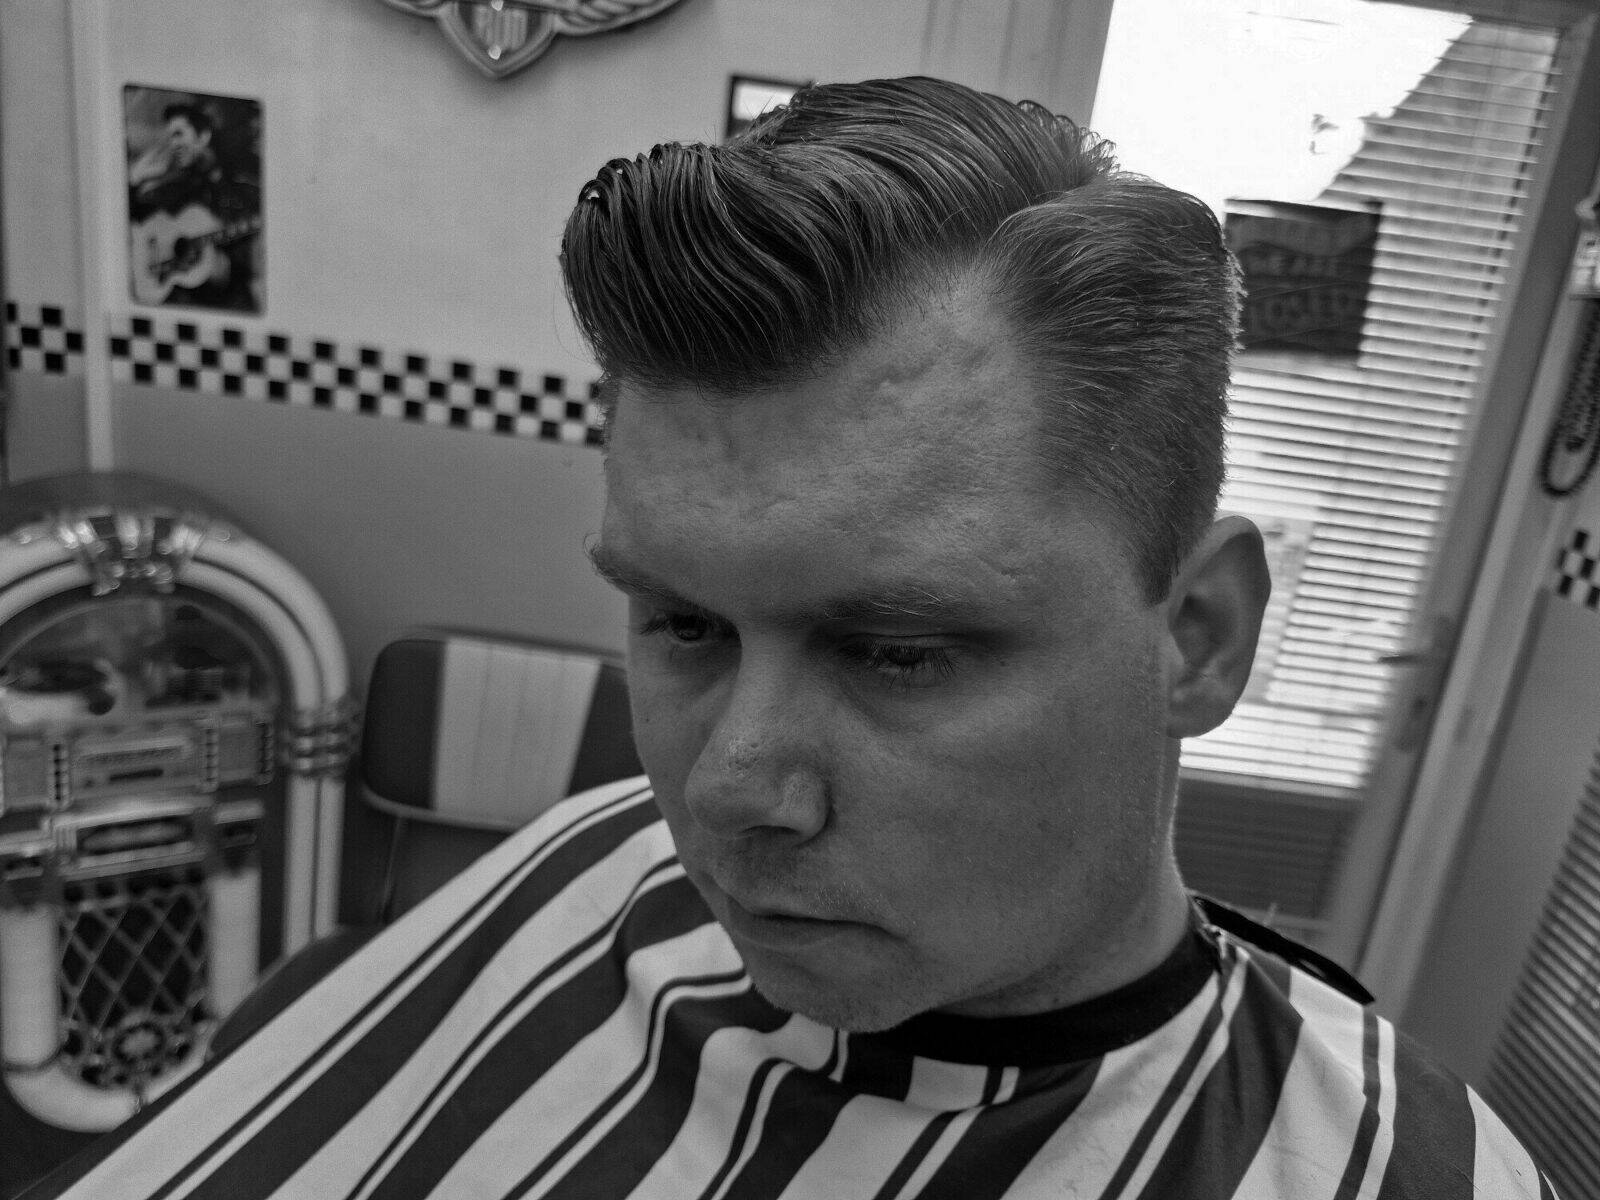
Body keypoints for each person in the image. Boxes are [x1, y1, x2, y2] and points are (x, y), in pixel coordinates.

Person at [30, 76, 1558, 1199]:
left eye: (898, 651)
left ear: (1201, 637)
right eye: (682, 621)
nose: (728, 792)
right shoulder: (587, 863)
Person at [127, 102, 262, 312]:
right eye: (170, 136)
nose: (173, 144)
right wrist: (134, 181)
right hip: (170, 303)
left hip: (227, 305)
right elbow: (132, 219)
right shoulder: (175, 186)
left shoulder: (244, 185)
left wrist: (224, 270)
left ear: (203, 135)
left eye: (179, 134)